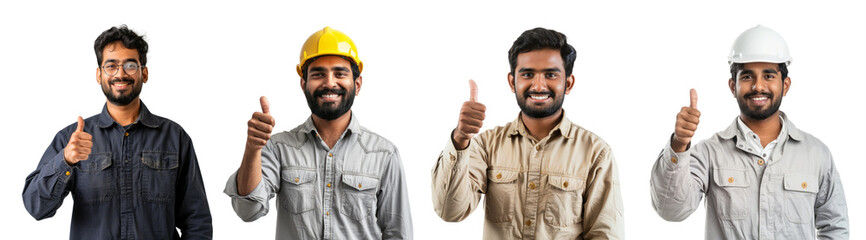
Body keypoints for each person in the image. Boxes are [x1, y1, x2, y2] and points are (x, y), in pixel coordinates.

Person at [650, 25, 849, 239]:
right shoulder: (709, 153)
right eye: (747, 77)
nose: (757, 86)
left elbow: (835, 227)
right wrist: (679, 144)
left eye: (769, 76)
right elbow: (670, 210)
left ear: (786, 85)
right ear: (732, 86)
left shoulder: (816, 154)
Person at [22, 25, 213, 239]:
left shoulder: (174, 137)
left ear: (145, 73)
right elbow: (35, 206)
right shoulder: (73, 139)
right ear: (99, 75)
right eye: (111, 66)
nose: (120, 74)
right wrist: (65, 160)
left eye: (130, 65)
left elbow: (197, 221)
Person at [431, 27, 624, 239]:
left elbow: (605, 234)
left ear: (567, 83)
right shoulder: (486, 145)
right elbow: (450, 211)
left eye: (550, 74)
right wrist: (460, 139)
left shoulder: (596, 152)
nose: (539, 86)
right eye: (528, 74)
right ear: (513, 82)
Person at [224, 27, 413, 239]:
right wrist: (252, 148)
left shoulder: (384, 154)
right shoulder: (279, 148)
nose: (330, 82)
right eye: (318, 74)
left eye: (340, 73)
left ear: (357, 84)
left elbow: (398, 233)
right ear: (304, 84)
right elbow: (247, 211)